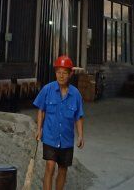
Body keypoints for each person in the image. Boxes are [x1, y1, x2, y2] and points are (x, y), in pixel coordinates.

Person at [33, 56, 84, 190]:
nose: (61, 76)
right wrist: (39, 129)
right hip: (50, 136)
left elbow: (78, 116)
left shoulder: (76, 94)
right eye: (58, 72)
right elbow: (41, 110)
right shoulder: (47, 89)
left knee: (62, 169)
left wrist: (80, 135)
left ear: (70, 74)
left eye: (64, 73)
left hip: (66, 139)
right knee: (50, 166)